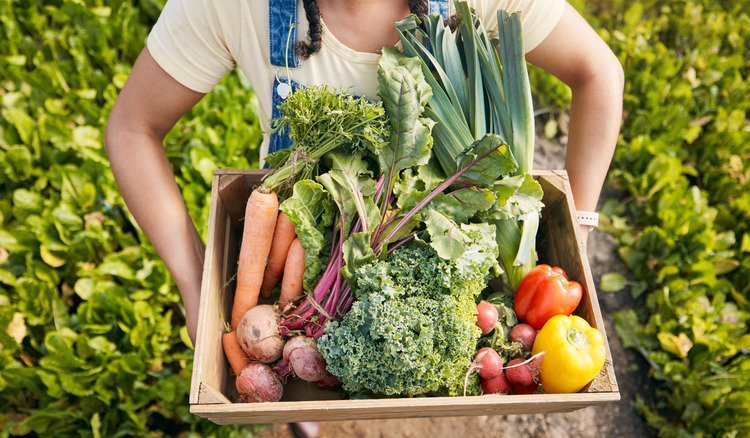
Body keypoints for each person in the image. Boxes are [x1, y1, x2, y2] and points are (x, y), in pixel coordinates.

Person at [104, 1, 622, 435]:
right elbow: (132, 127)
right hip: (296, 243)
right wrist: (196, 285)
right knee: (304, 377)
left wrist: (576, 230)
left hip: (437, 242)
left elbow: (599, 72)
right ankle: (306, 406)